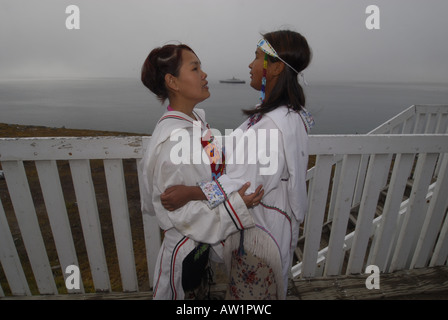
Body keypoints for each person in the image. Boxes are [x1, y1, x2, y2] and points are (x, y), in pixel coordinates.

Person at [160, 30, 314, 299]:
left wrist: (191, 192)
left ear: (276, 67)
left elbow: (245, 188)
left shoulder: (271, 127)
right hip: (265, 229)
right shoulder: (282, 114)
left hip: (259, 239)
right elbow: (243, 158)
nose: (250, 65)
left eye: (256, 57)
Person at [139, 44, 263, 300]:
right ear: (172, 82)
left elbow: (216, 171)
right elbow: (184, 216)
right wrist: (236, 205)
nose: (204, 74)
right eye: (195, 68)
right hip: (185, 252)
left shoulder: (196, 122)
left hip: (200, 248)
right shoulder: (175, 142)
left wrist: (196, 192)